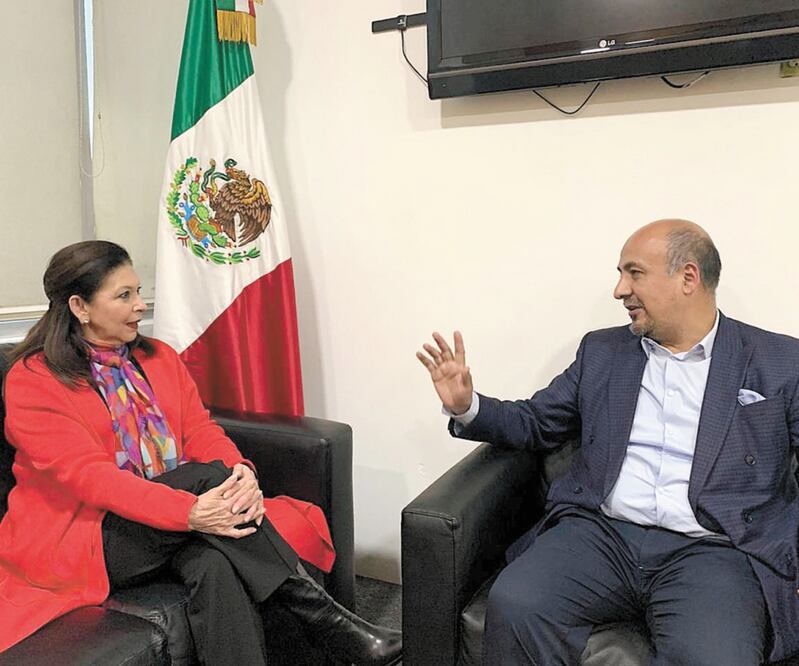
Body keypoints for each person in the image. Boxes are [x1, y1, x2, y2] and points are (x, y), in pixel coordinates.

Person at [0, 240, 402, 666]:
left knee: (216, 562)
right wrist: (190, 511)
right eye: (124, 296)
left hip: (166, 520)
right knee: (205, 480)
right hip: (85, 536)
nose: (140, 305)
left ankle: (322, 628)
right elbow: (92, 478)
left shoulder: (158, 359)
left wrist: (239, 471)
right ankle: (325, 619)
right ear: (79, 306)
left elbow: (200, 430)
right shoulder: (34, 380)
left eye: (138, 291)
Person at [417, 219, 799, 665]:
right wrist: (467, 405)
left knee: (716, 656)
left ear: (688, 278)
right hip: (601, 535)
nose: (620, 290)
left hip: (713, 548)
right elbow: (537, 421)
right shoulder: (603, 351)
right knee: (517, 604)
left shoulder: (778, 361)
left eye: (634, 273)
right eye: (621, 274)